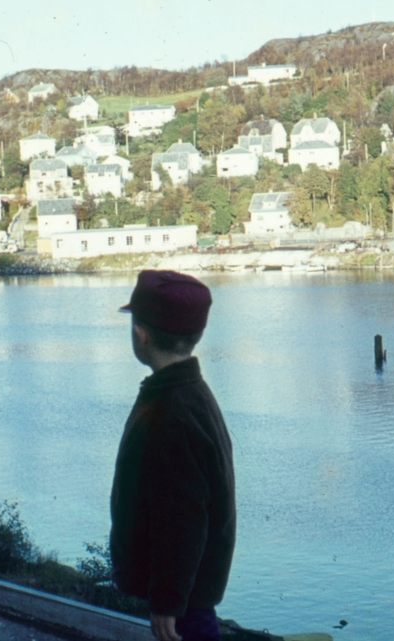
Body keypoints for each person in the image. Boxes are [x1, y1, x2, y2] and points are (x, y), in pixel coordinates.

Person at [111, 270, 236, 641]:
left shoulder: (172, 413)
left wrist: (167, 602)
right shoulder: (188, 393)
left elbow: (182, 520)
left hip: (184, 607)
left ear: (140, 333)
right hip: (191, 595)